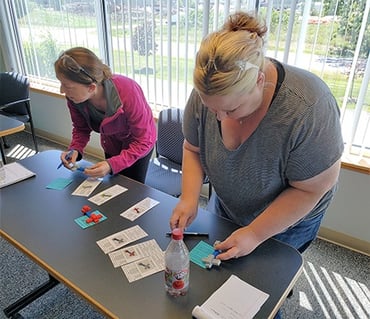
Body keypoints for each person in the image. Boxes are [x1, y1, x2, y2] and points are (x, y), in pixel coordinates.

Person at [170, 12, 344, 260]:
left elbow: (310, 190)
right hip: (230, 205)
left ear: (260, 81)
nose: (219, 117)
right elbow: (193, 149)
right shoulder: (211, 90)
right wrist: (189, 198)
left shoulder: (309, 108)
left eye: (231, 110)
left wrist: (254, 233)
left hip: (286, 220)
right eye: (211, 108)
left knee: (266, 280)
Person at [54, 47, 156, 183]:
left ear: (91, 87)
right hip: (112, 144)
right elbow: (81, 129)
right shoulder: (75, 98)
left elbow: (144, 140)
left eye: (67, 86)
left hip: (139, 145)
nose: (62, 90)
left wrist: (112, 164)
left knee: (132, 189)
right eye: (61, 84)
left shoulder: (127, 91)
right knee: (114, 185)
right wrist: (75, 150)